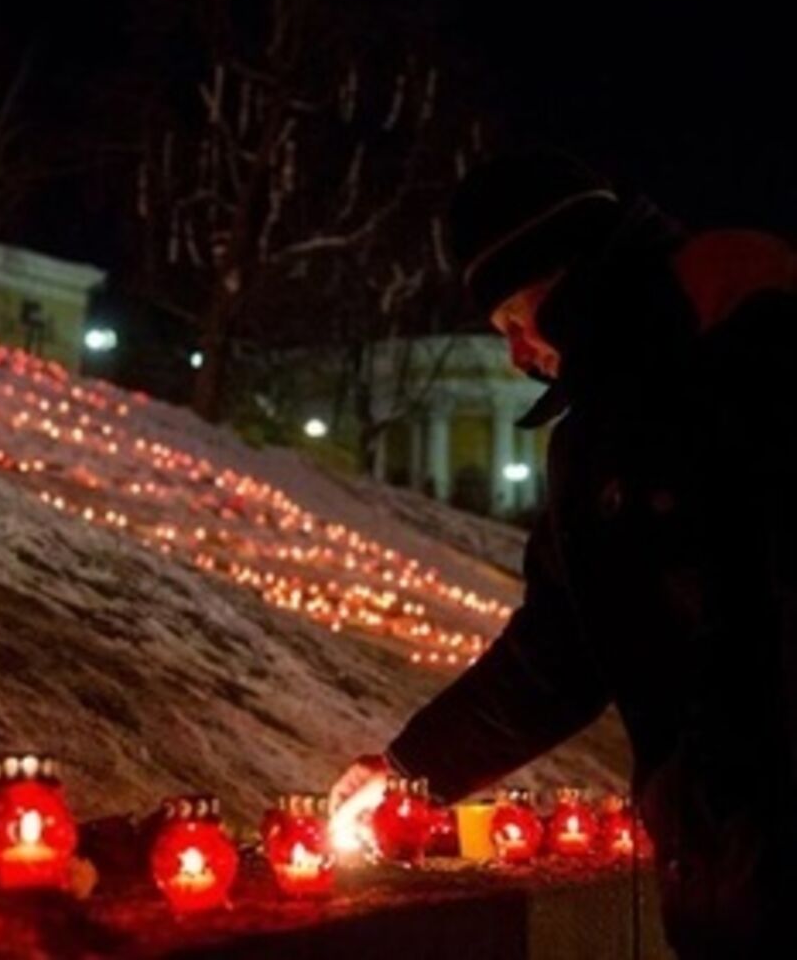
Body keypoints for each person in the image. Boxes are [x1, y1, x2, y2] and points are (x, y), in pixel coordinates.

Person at [329, 149, 797, 957]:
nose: (516, 357)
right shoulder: (604, 428)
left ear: (561, 279)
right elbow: (564, 648)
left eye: (514, 321)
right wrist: (410, 766)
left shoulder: (746, 357)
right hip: (730, 870)